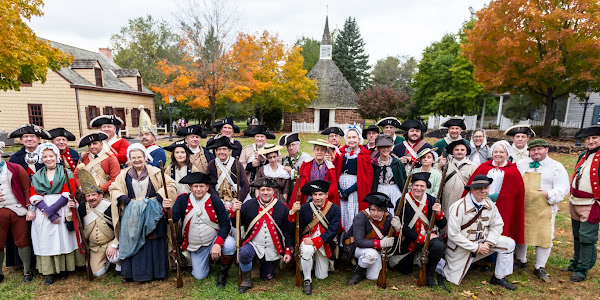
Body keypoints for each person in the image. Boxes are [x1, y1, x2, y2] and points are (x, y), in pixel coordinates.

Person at [109, 143, 177, 282]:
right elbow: (113, 188)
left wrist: (160, 195)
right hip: (132, 213)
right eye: (133, 158)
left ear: (145, 157)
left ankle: (157, 273)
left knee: (153, 239)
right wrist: (122, 197)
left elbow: (170, 184)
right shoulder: (124, 174)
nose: (137, 160)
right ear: (129, 159)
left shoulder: (155, 172)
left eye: (139, 157)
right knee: (132, 238)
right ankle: (132, 273)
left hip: (152, 211)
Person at [443, 175, 517, 290]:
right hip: (461, 248)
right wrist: (476, 247)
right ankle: (442, 264)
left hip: (483, 243)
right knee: (451, 279)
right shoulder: (458, 207)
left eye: (486, 188)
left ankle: (499, 277)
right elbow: (453, 235)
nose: (483, 191)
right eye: (479, 188)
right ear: (471, 189)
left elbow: (497, 225)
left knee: (509, 244)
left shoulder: (489, 204)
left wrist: (488, 243)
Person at [167, 172, 236, 286]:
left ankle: (222, 273)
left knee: (230, 244)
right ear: (190, 187)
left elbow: (225, 224)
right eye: (195, 186)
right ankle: (209, 261)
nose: (198, 189)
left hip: (213, 239)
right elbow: (172, 219)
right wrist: (167, 209)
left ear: (207, 187)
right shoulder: (183, 200)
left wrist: (218, 244)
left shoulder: (215, 201)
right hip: (196, 244)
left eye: (202, 186)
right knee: (199, 276)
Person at [29, 143, 84, 285]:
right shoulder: (37, 176)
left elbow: (68, 192)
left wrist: (53, 210)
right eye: (45, 157)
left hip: (62, 207)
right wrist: (49, 213)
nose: (48, 159)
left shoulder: (66, 172)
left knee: (63, 238)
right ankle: (50, 271)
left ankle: (65, 268)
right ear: (41, 158)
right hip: (44, 211)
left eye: (51, 156)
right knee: (47, 239)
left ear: (56, 156)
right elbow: (34, 195)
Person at [515, 138, 569, 282]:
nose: (536, 152)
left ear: (546, 149)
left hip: (544, 207)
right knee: (522, 232)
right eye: (533, 150)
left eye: (539, 149)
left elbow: (563, 188)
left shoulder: (556, 167)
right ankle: (521, 259)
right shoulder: (521, 164)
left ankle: (539, 266)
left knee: (544, 235)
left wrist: (548, 194)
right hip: (524, 206)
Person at [231, 178, 293, 294]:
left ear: (273, 191)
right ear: (258, 191)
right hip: (253, 244)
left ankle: (258, 265)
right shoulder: (248, 205)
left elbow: (287, 231)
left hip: (272, 247)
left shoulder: (282, 207)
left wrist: (288, 251)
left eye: (268, 190)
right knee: (244, 253)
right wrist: (234, 212)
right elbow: (236, 224)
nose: (265, 192)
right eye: (262, 190)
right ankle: (246, 278)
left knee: (267, 277)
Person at [465, 140, 525, 247]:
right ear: (492, 153)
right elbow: (472, 185)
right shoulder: (484, 167)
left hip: (504, 205)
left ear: (507, 154)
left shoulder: (513, 170)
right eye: (495, 152)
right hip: (482, 201)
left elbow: (517, 192)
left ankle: (498, 253)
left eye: (501, 152)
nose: (498, 154)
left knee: (500, 227)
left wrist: (501, 196)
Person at [288, 180, 341, 295]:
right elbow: (295, 229)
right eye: (315, 194)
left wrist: (314, 241)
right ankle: (307, 280)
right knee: (306, 250)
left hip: (323, 244)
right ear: (311, 196)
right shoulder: (305, 208)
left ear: (326, 195)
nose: (317, 197)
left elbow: (332, 231)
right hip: (307, 240)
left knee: (321, 276)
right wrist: (292, 212)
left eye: (320, 194)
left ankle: (312, 263)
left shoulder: (335, 209)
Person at [394, 172, 446, 287]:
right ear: (411, 186)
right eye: (416, 185)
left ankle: (429, 273)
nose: (419, 188)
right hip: (409, 239)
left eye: (422, 186)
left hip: (427, 235)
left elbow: (442, 224)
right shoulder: (402, 201)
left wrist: (439, 213)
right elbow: (404, 227)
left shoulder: (432, 200)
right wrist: (422, 239)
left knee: (439, 246)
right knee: (405, 269)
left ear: (426, 187)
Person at [69, 168, 120, 277]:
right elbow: (72, 227)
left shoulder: (110, 206)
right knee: (97, 273)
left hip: (109, 243)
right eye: (88, 196)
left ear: (100, 195)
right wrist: (70, 212)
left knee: (116, 257)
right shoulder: (82, 207)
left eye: (94, 195)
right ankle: (106, 262)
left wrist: (115, 245)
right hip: (95, 247)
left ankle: (118, 264)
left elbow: (120, 227)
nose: (91, 198)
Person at [565, 126, 600, 282]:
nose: (590, 141)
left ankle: (582, 269)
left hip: (592, 203)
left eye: (594, 138)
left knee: (587, 237)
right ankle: (576, 262)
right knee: (578, 235)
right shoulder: (583, 155)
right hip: (576, 201)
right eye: (588, 138)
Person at [345, 192, 398, 285]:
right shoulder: (361, 217)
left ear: (385, 211)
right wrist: (381, 243)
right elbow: (359, 241)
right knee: (371, 254)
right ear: (369, 208)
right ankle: (358, 272)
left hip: (375, 250)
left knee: (373, 277)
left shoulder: (388, 217)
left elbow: (393, 236)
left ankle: (365, 265)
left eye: (379, 211)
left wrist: (397, 228)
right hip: (356, 248)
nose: (375, 213)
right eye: (373, 210)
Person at [0, 142, 34, 283]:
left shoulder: (15, 168)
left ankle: (27, 270)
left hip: (17, 209)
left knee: (22, 240)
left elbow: (27, 188)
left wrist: (29, 207)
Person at [334, 125, 374, 230]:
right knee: (341, 212)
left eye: (354, 137)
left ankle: (352, 237)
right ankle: (341, 238)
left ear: (359, 138)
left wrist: (348, 191)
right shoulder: (341, 153)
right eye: (349, 137)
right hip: (340, 188)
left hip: (355, 189)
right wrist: (338, 189)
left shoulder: (364, 155)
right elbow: (335, 172)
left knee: (352, 213)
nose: (351, 140)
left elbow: (365, 177)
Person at [289, 139, 339, 207]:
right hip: (309, 198)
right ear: (313, 151)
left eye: (322, 150)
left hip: (325, 200)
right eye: (317, 149)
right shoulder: (306, 165)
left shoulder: (330, 168)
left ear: (325, 152)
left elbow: (332, 188)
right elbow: (301, 184)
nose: (319, 152)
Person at [74, 132, 120, 199]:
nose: (92, 147)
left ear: (101, 144)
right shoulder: (84, 158)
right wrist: (82, 188)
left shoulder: (111, 158)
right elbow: (76, 175)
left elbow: (115, 179)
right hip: (88, 196)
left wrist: (98, 191)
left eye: (95, 144)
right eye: (89, 145)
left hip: (107, 196)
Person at [206, 136, 249, 207]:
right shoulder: (211, 164)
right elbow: (209, 186)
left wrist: (237, 201)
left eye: (224, 149)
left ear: (229, 151)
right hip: (218, 200)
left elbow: (245, 186)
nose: (222, 152)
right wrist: (219, 202)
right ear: (216, 151)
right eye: (219, 149)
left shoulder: (237, 164)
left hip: (236, 200)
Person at [437, 140, 478, 213]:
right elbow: (436, 177)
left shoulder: (473, 166)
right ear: (453, 152)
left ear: (466, 152)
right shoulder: (445, 164)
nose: (459, 152)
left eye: (462, 150)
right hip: (446, 199)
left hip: (464, 199)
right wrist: (439, 166)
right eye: (456, 150)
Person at [371, 134, 407, 215]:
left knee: (395, 212)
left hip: (394, 190)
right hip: (380, 190)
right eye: (383, 147)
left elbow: (403, 179)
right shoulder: (374, 163)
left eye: (388, 147)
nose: (386, 149)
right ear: (378, 148)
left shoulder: (396, 163)